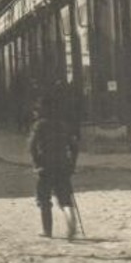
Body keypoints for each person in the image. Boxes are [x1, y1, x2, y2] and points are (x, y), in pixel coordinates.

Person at [28, 94, 79, 240]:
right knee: (65, 198)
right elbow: (74, 147)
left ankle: (47, 231)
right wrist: (71, 164)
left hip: (46, 166)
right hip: (63, 165)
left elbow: (32, 147)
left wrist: (36, 163)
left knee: (44, 198)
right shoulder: (63, 125)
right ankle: (70, 219)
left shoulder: (39, 125)